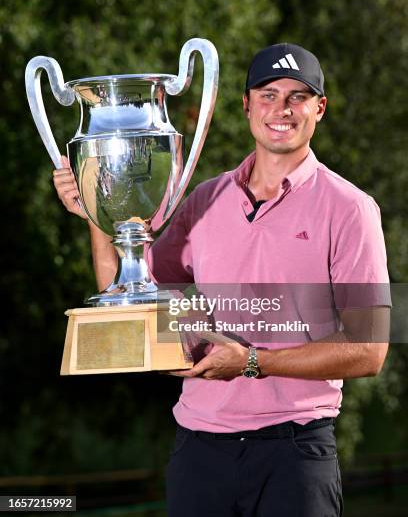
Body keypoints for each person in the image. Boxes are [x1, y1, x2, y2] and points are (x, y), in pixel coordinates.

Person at [53, 42, 391, 517]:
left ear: (320, 108)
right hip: (200, 450)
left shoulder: (351, 208)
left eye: (298, 96)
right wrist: (95, 206)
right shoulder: (204, 200)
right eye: (269, 94)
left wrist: (252, 362)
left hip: (294, 452)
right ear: (246, 104)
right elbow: (130, 295)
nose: (282, 109)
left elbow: (370, 349)